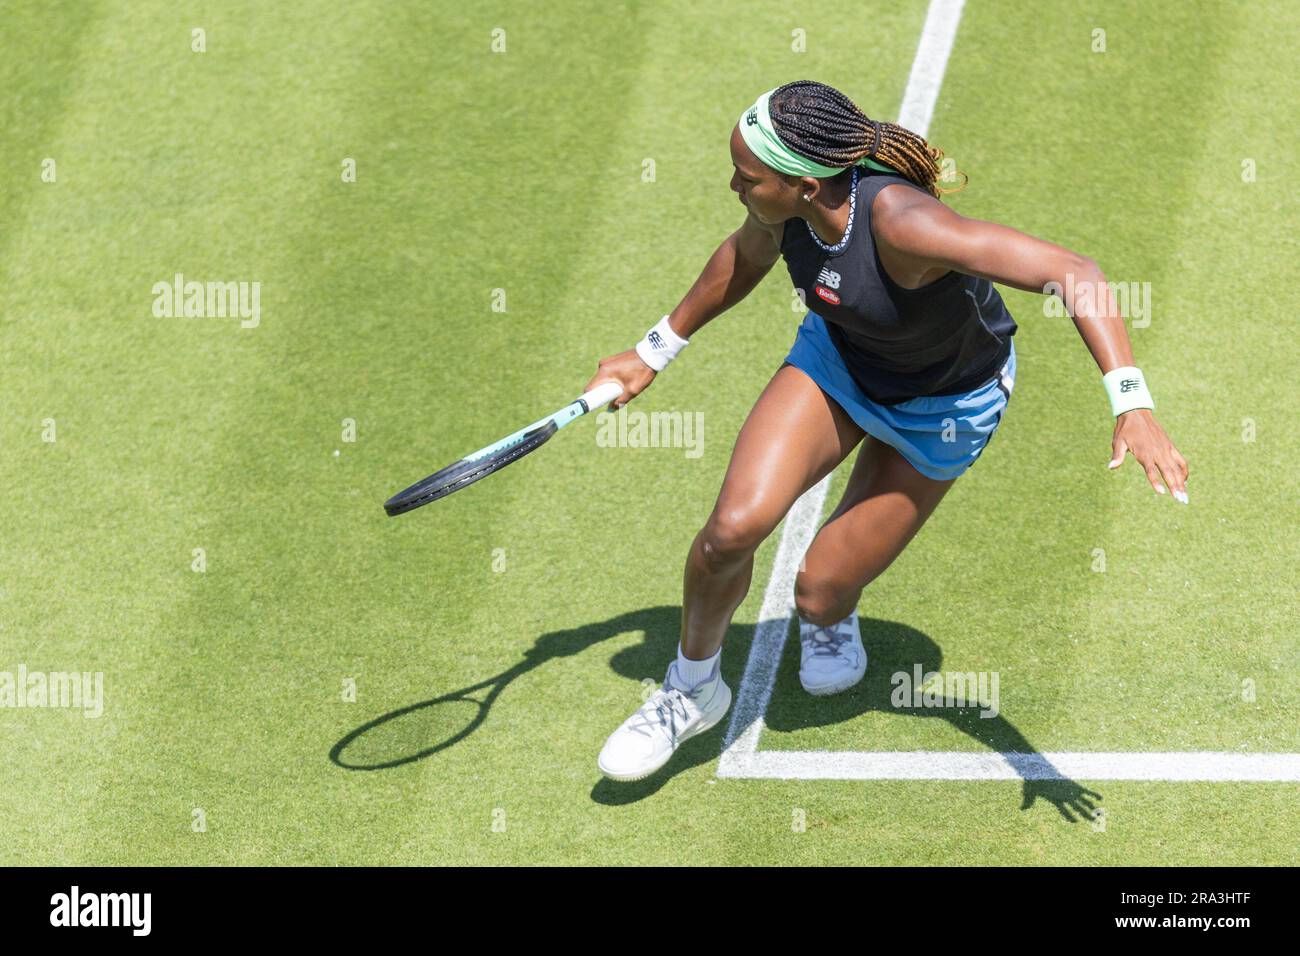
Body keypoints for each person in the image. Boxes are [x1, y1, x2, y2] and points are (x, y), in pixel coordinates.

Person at [586, 80, 1188, 782]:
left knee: (818, 591)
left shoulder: (904, 224)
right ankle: (692, 689)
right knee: (729, 533)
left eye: (746, 179)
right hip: (839, 363)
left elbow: (1072, 271)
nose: (733, 187)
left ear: (807, 186)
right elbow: (747, 254)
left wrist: (1132, 403)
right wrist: (654, 350)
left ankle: (834, 614)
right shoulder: (781, 209)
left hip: (945, 406)